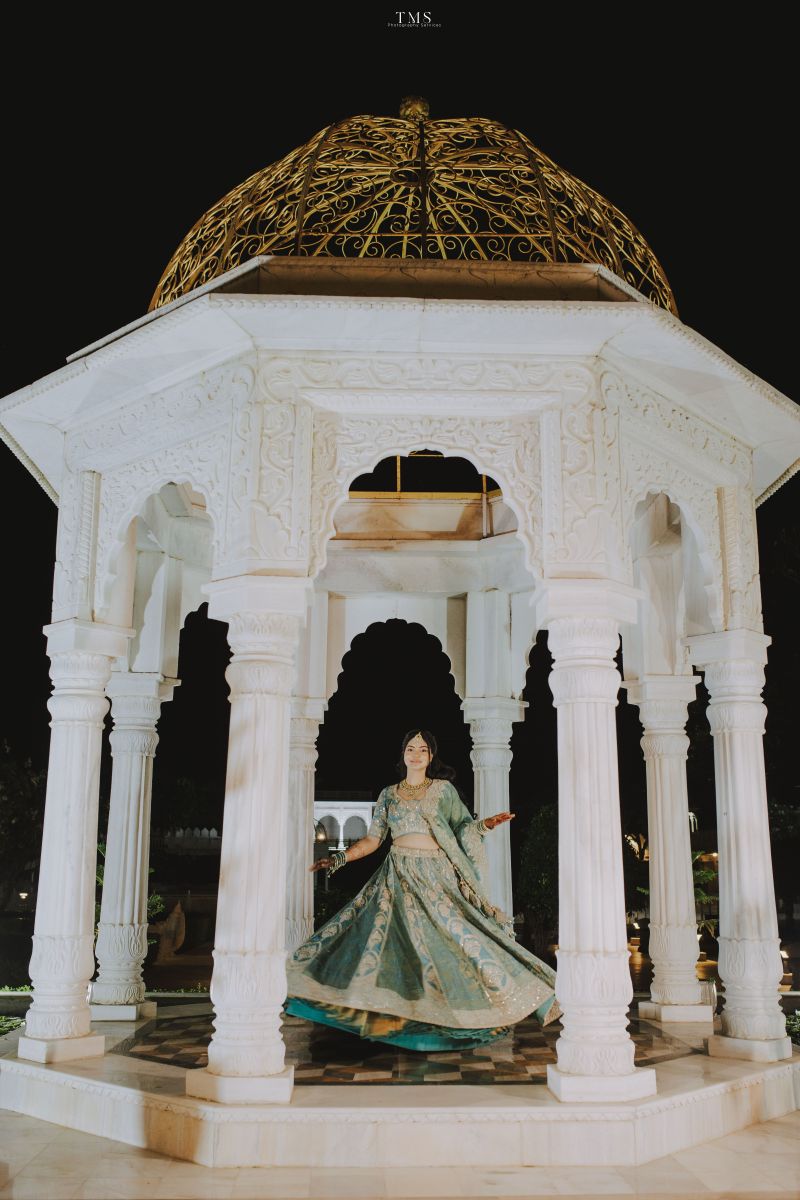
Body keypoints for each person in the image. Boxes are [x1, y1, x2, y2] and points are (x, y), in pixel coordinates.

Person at [284, 729, 560, 1050]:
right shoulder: (388, 794)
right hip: (398, 874)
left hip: (436, 876)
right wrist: (341, 857)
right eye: (411, 748)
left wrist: (484, 825)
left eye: (423, 749)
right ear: (403, 754)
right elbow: (374, 840)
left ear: (431, 757)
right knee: (400, 947)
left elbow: (461, 828)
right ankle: (410, 1023)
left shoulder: (443, 791)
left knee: (460, 939)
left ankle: (525, 995)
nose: (416, 754)